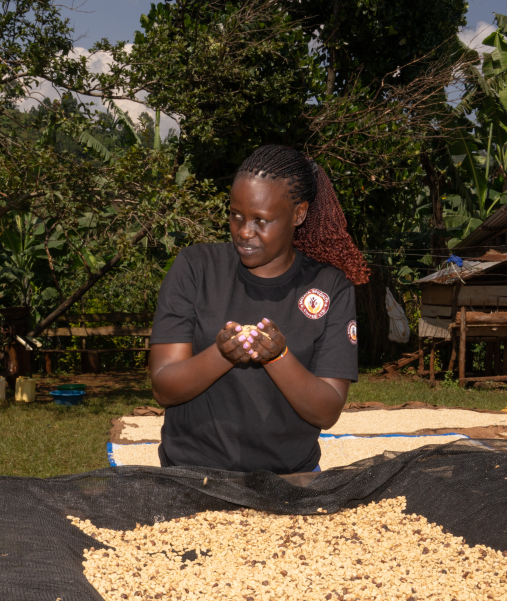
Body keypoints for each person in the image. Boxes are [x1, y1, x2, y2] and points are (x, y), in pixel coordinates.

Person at [149, 145, 369, 474]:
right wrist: (221, 354)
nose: (243, 231)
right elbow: (163, 387)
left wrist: (278, 357)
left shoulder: (330, 286)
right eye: (235, 214)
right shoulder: (196, 268)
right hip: (192, 475)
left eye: (260, 220)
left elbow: (326, 411)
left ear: (299, 214)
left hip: (290, 480)